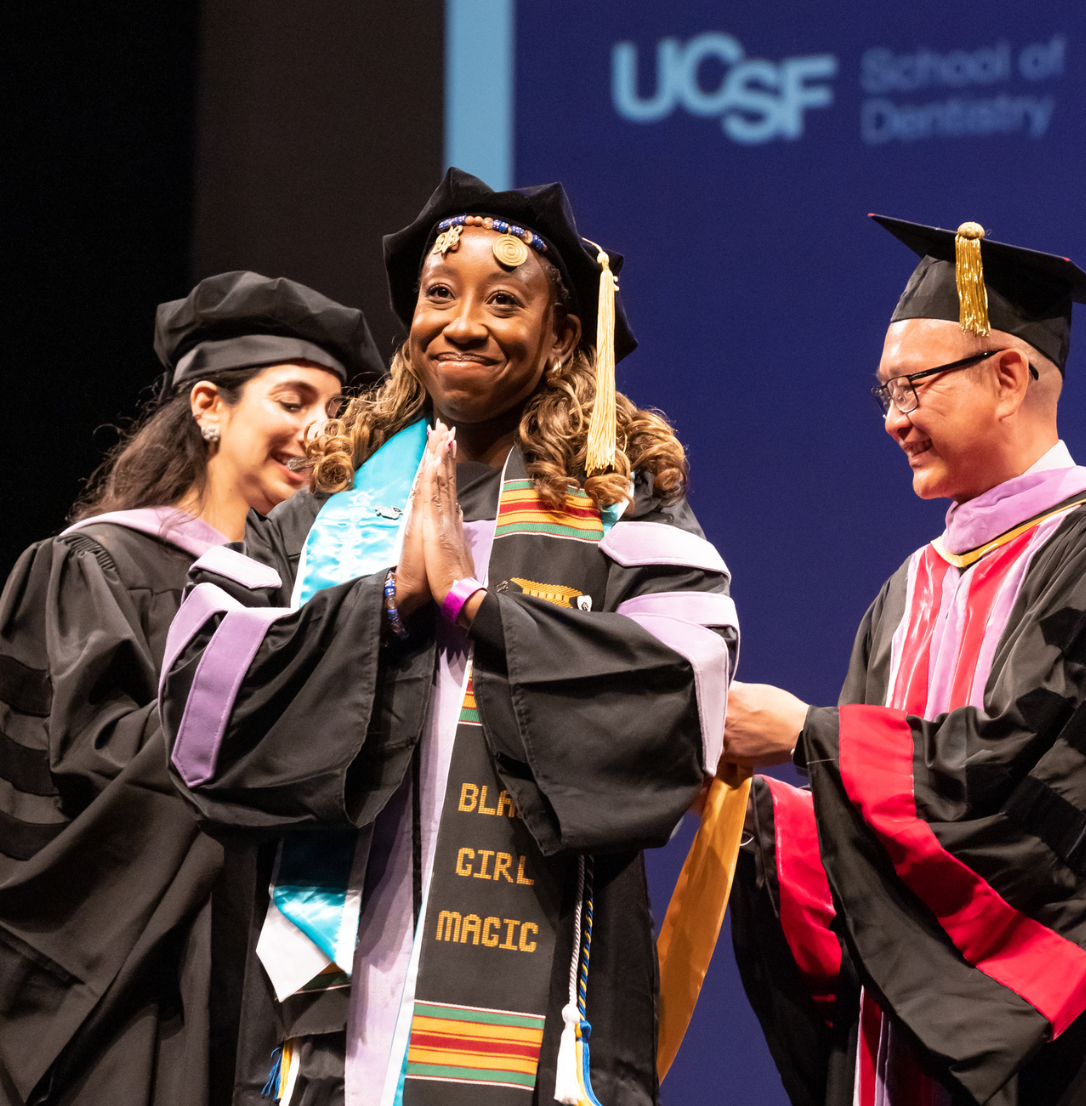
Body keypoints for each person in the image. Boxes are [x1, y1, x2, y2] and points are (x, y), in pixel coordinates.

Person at [158, 168, 738, 1106]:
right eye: (439, 295)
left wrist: (475, 608)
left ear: (562, 337)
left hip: (547, 994)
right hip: (331, 1003)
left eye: (504, 301)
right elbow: (200, 698)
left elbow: (678, 694)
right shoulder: (328, 509)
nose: (462, 324)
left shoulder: (623, 509)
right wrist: (388, 603)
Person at [722, 217, 1086, 1106]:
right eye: (883, 393)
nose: (894, 421)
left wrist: (809, 736)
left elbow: (1022, 775)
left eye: (914, 387)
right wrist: (773, 827)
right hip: (897, 1046)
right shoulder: (906, 593)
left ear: (1007, 378)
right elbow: (875, 835)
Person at [0, 271, 382, 1106]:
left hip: (272, 987)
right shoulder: (96, 567)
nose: (317, 433)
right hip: (134, 984)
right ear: (209, 406)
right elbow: (82, 772)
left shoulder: (305, 600)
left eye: (332, 411)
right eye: (291, 400)